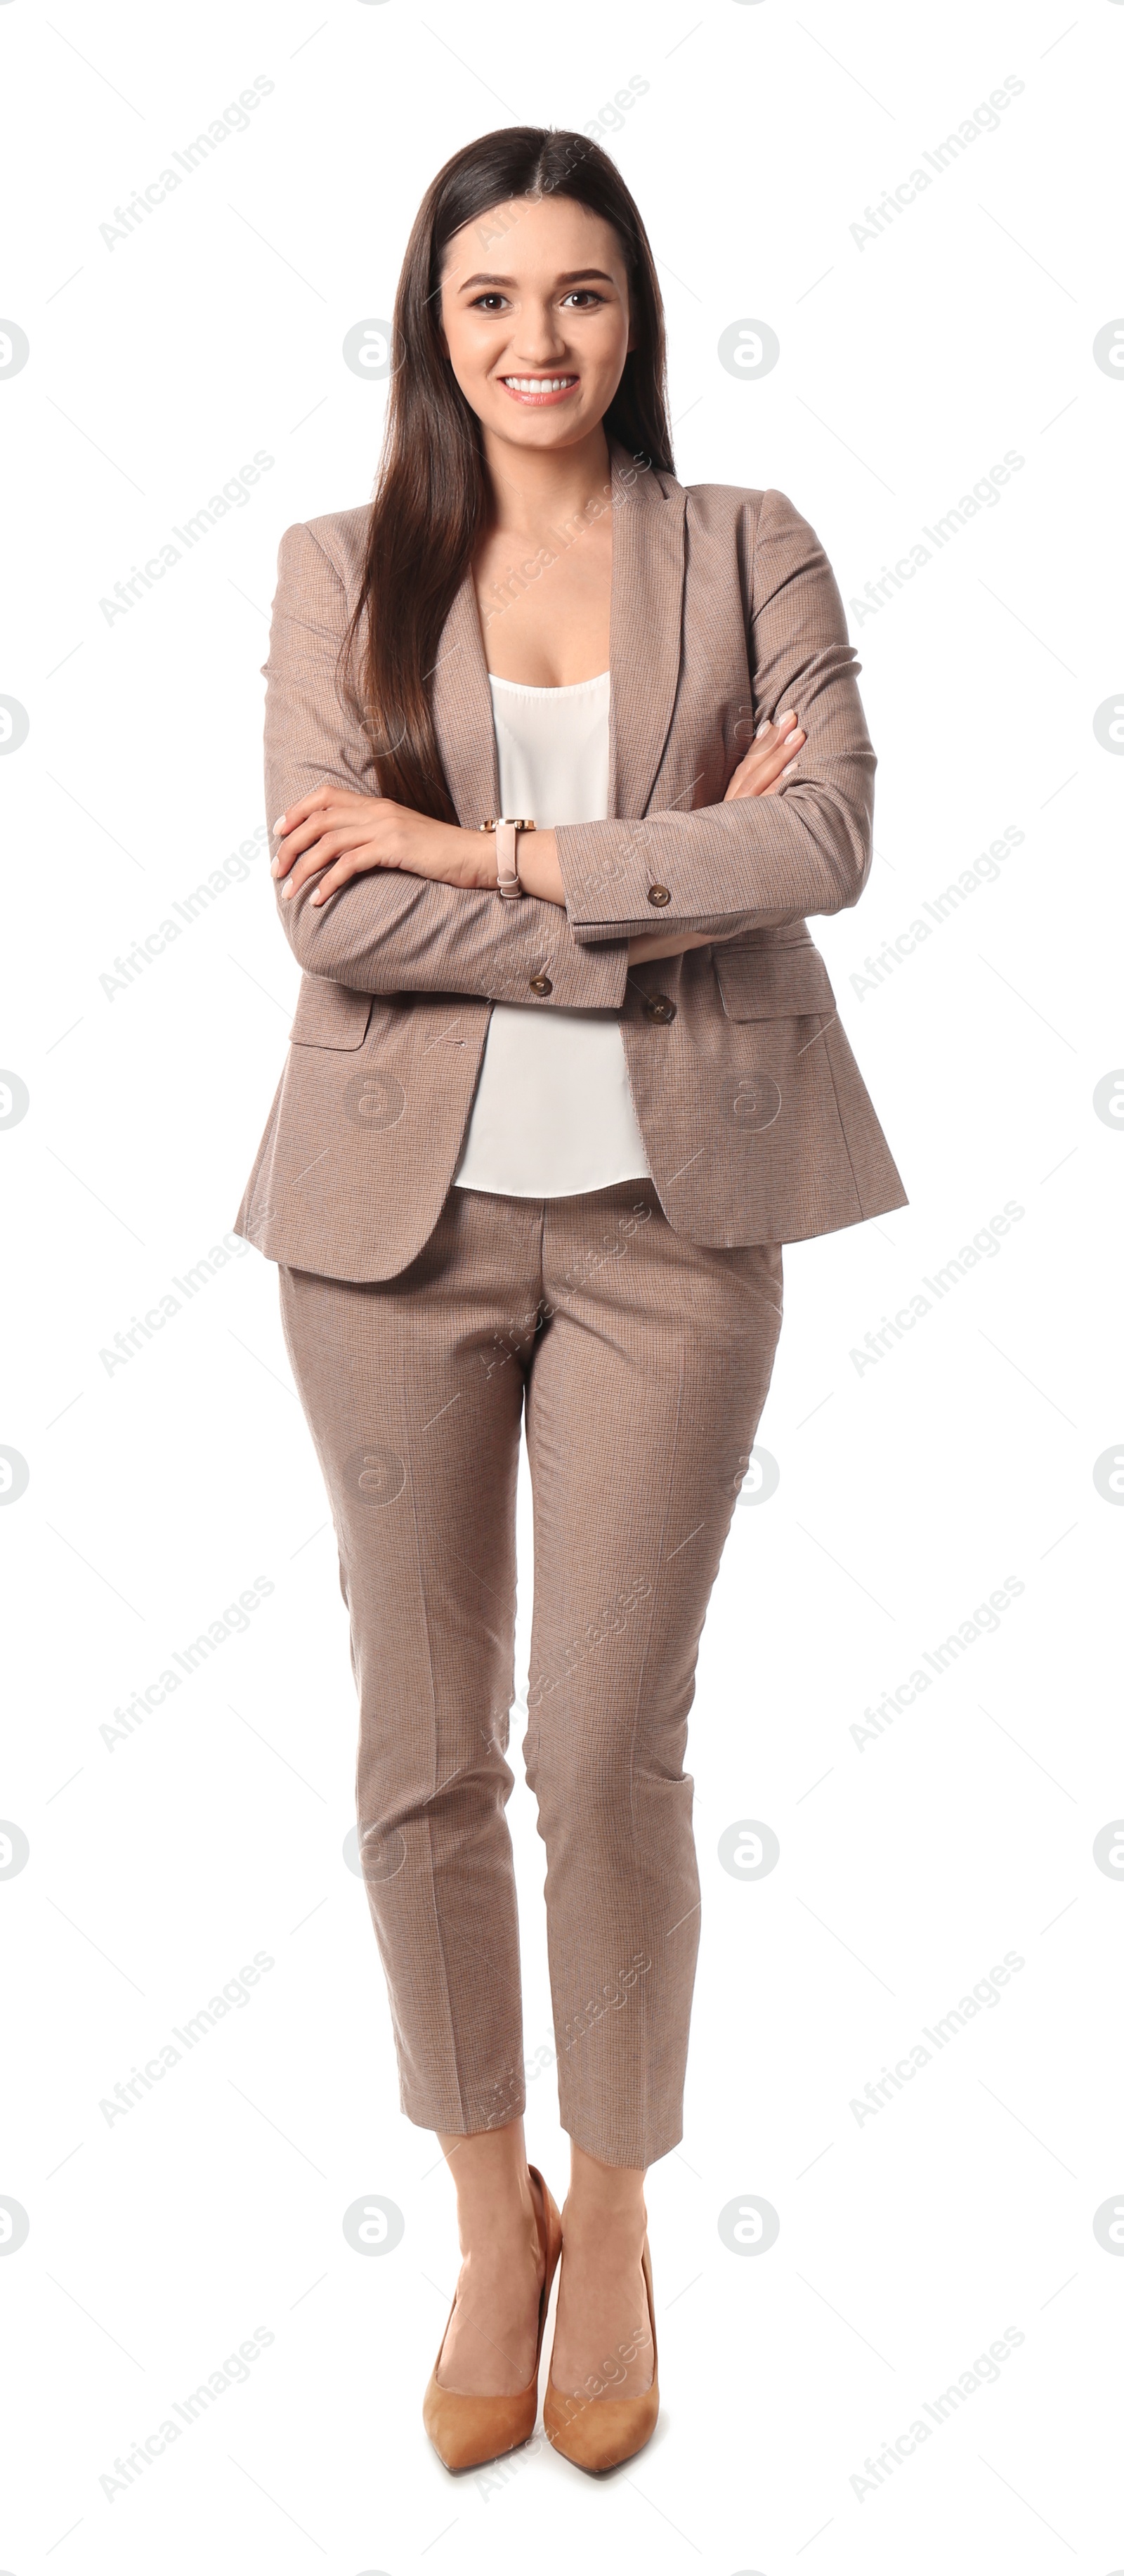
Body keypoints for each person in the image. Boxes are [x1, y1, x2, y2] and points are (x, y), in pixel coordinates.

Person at [233, 124, 906, 2476]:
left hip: (671, 1226)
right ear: (435, 320)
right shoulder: (343, 571)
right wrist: (643, 881)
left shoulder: (752, 549)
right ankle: (482, 2212)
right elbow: (335, 912)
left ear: (639, 314)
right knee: (417, 1756)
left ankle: (611, 2210)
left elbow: (821, 840)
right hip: (382, 1240)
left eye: (587, 295)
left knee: (607, 1750)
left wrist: (486, 845)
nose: (542, 341)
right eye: (493, 295)